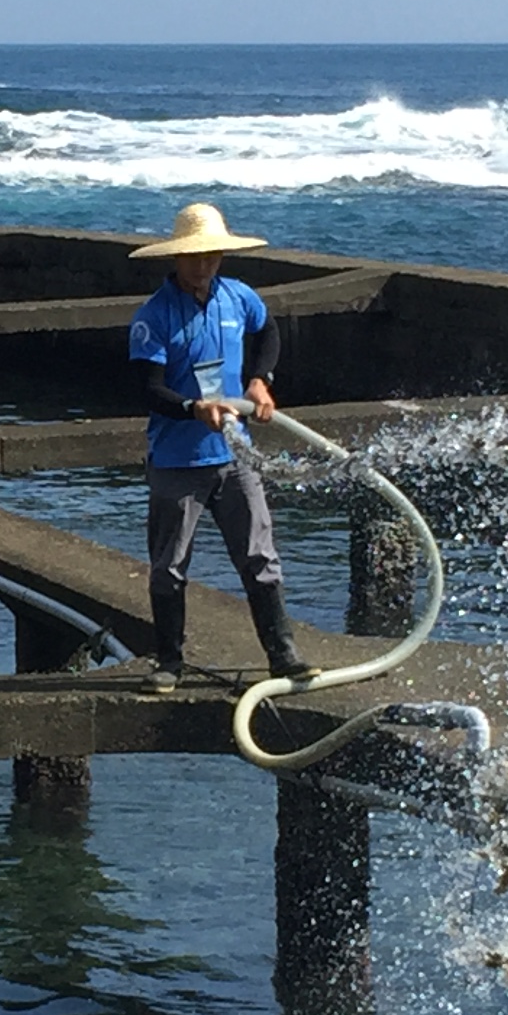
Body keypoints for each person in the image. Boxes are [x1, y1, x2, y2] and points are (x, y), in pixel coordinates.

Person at [126, 202, 313, 690]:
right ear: (177, 258)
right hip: (176, 459)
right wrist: (192, 409)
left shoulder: (238, 298)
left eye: (212, 255)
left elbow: (267, 330)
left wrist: (260, 380)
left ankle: (283, 655)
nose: (204, 265)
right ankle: (169, 660)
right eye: (194, 257)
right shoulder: (155, 316)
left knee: (260, 556)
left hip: (234, 453)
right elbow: (147, 388)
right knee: (170, 566)